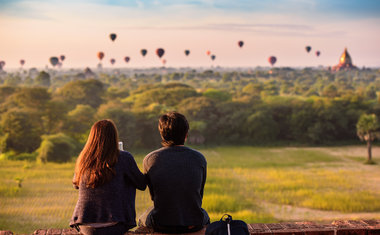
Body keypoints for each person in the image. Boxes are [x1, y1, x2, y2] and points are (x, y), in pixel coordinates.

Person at [70, 119, 146, 235]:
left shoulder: (83, 159)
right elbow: (142, 184)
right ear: (114, 138)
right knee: (128, 179)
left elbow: (76, 184)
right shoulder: (124, 157)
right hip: (114, 226)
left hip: (85, 227)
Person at [139, 112, 209, 233]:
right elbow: (199, 194)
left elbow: (154, 196)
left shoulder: (150, 159)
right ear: (186, 134)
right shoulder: (199, 158)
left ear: (162, 134)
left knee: (142, 218)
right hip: (194, 223)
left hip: (162, 224)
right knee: (205, 215)